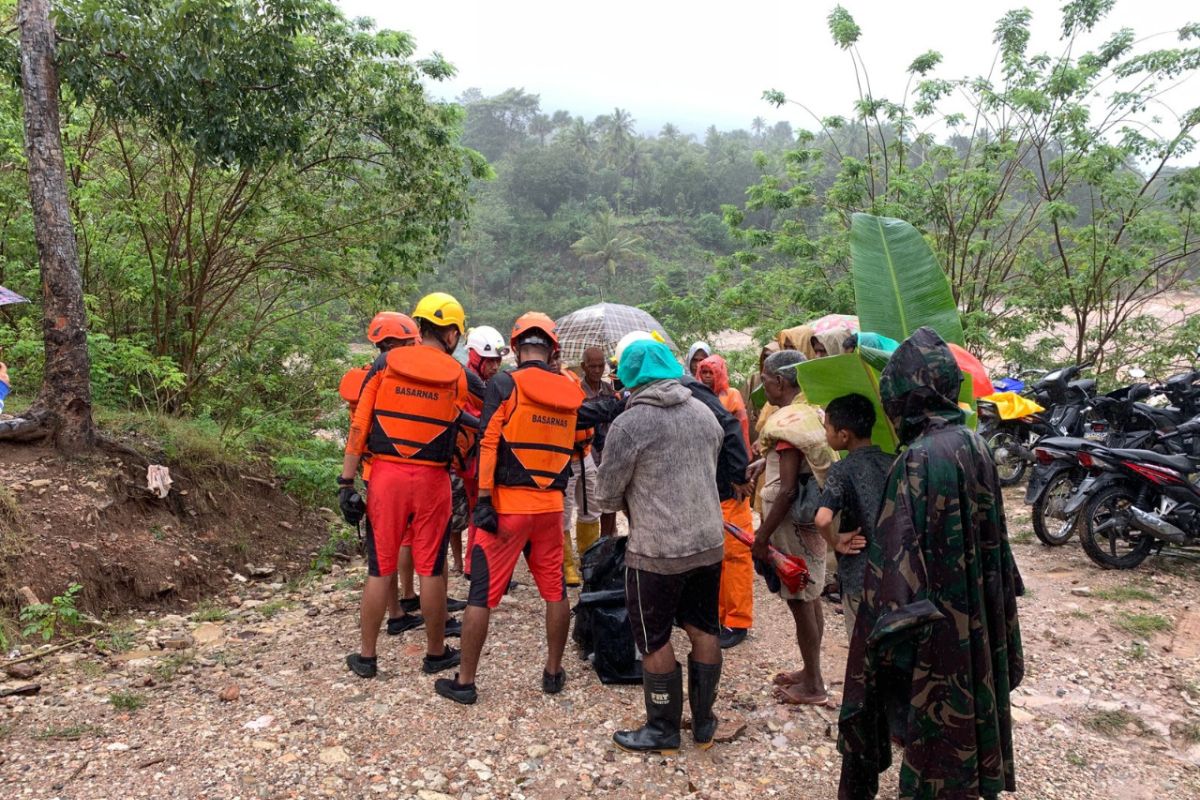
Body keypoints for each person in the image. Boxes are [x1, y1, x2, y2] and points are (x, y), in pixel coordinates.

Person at [837, 328, 1024, 800]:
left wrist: (876, 650)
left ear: (903, 399)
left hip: (934, 630)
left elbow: (894, 575)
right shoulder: (973, 443)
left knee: (936, 731)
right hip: (971, 614)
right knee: (964, 721)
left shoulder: (917, 459)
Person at [435, 312, 589, 705]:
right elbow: (579, 445)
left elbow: (487, 442)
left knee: (481, 595)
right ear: (552, 350)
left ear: (518, 348)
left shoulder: (504, 383)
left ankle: (465, 682)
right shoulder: (568, 391)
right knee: (555, 592)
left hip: (505, 505)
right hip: (551, 509)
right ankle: (553, 673)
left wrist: (483, 499)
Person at [595, 339, 724, 755]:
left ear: (629, 378)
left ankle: (663, 729)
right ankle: (704, 723)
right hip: (708, 543)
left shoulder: (630, 425)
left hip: (657, 552)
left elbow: (607, 496)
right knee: (704, 629)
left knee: (653, 640)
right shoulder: (704, 412)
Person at [340, 292, 470, 679]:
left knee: (379, 567)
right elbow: (461, 434)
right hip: (432, 479)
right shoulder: (456, 375)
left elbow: (359, 427)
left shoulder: (385, 364)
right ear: (450, 333)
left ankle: (367, 658)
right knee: (431, 567)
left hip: (385, 476)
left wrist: (347, 480)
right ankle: (434, 653)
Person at [750, 350, 837, 706]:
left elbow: (786, 489)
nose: (765, 387)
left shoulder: (788, 423)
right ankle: (810, 669)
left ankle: (813, 684)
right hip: (808, 524)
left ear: (781, 381)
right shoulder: (810, 412)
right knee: (811, 596)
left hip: (790, 525)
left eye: (767, 381)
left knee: (801, 601)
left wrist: (762, 536)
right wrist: (764, 461)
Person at [336, 312, 429, 636]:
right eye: (407, 343)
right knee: (387, 556)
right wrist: (345, 482)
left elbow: (359, 430)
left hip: (375, 473)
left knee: (386, 551)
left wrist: (346, 482)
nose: (412, 347)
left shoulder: (373, 377)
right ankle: (393, 616)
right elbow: (360, 430)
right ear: (390, 344)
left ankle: (397, 610)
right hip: (385, 475)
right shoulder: (388, 377)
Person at [813, 394, 895, 637]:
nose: (825, 434)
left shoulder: (841, 470)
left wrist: (835, 541)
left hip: (859, 574)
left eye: (827, 427)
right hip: (895, 573)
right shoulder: (893, 462)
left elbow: (822, 519)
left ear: (844, 435)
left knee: (861, 645)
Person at [697, 353, 755, 649]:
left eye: (711, 371)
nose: (707, 376)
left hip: (733, 488)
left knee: (736, 557)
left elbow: (738, 437)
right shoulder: (698, 399)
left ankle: (739, 620)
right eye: (702, 371)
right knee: (716, 558)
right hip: (714, 488)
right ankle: (721, 616)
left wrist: (740, 474)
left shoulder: (731, 398)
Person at [458, 326, 508, 578]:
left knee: (479, 508)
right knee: (482, 508)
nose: (495, 367)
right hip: (472, 460)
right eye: (490, 362)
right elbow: (471, 417)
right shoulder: (467, 382)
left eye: (498, 361)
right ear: (477, 358)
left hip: (474, 458)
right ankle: (476, 566)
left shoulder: (480, 382)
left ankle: (474, 564)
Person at [560, 360, 599, 587]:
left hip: (585, 455)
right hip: (563, 461)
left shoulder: (574, 382)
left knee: (591, 508)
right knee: (563, 515)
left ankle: (589, 560)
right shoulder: (548, 385)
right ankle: (566, 564)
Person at [579, 346, 619, 539]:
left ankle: (608, 538)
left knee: (610, 499)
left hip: (609, 451)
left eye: (600, 365)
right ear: (583, 367)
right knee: (592, 504)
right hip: (588, 453)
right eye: (592, 366)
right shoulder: (577, 392)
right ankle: (596, 544)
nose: (596, 370)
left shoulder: (609, 390)